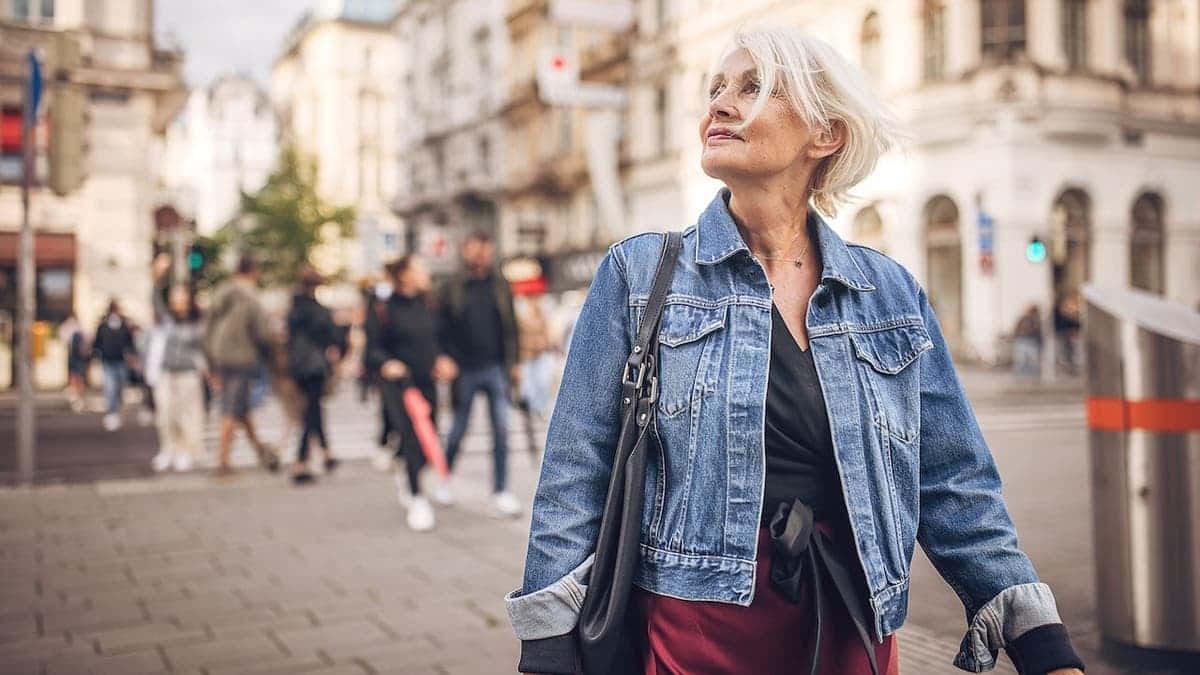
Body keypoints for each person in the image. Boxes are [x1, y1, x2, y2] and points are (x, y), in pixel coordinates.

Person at [506, 25, 1085, 675]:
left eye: (754, 87)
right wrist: (548, 641)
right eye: (716, 88)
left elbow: (952, 480)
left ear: (825, 134)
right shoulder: (640, 274)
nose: (720, 104)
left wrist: (1039, 640)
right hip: (695, 631)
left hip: (848, 626)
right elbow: (574, 472)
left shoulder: (888, 292)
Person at [365, 255, 455, 530]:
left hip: (426, 380)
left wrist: (442, 358)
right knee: (412, 436)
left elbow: (438, 338)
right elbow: (372, 348)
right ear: (404, 274)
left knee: (429, 437)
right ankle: (417, 499)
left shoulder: (428, 303)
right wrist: (387, 363)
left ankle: (408, 472)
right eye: (418, 268)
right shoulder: (383, 306)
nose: (424, 272)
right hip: (400, 384)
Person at [438, 232, 521, 517]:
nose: (481, 253)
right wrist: (444, 358)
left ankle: (500, 490)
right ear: (465, 250)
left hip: (495, 366)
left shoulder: (499, 284)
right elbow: (441, 326)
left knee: (501, 430)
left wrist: (514, 362)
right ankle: (444, 478)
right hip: (464, 369)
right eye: (475, 248)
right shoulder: (452, 287)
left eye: (485, 247)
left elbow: (511, 327)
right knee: (458, 429)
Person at [204, 255, 280, 477]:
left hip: (219, 357)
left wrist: (210, 360)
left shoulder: (221, 293)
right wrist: (272, 355)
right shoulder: (250, 296)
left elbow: (207, 327)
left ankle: (260, 452)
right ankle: (222, 462)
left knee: (242, 409)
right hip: (240, 358)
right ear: (253, 271)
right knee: (231, 409)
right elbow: (262, 333)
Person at [285, 267, 343, 484]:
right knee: (311, 411)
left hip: (297, 365)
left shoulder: (294, 309)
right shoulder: (320, 311)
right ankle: (301, 461)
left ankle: (327, 453)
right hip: (315, 365)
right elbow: (333, 338)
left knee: (314, 408)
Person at [146, 282, 207, 473]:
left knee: (187, 415)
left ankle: (186, 450)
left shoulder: (197, 322)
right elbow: (155, 301)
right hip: (167, 373)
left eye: (181, 297)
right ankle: (168, 449)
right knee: (165, 414)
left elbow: (204, 348)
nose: (178, 302)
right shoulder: (167, 320)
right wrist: (157, 279)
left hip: (188, 373)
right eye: (175, 298)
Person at [92, 300, 136, 432]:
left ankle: (116, 409)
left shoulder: (124, 325)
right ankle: (112, 413)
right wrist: (95, 355)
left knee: (119, 387)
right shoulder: (103, 326)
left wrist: (131, 354)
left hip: (121, 360)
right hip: (108, 360)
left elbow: (129, 341)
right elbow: (98, 342)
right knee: (110, 387)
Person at [59, 314, 89, 412]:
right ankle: (77, 395)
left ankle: (76, 395)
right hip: (78, 357)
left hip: (74, 355)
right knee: (78, 375)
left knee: (74, 375)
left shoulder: (70, 328)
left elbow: (63, 337)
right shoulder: (80, 328)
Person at [1012, 304, 1043, 377]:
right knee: (1021, 360)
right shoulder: (1024, 319)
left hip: (1030, 341)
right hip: (1023, 340)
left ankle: (1031, 376)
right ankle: (1020, 376)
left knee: (1031, 360)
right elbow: (1016, 329)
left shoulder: (1036, 320)